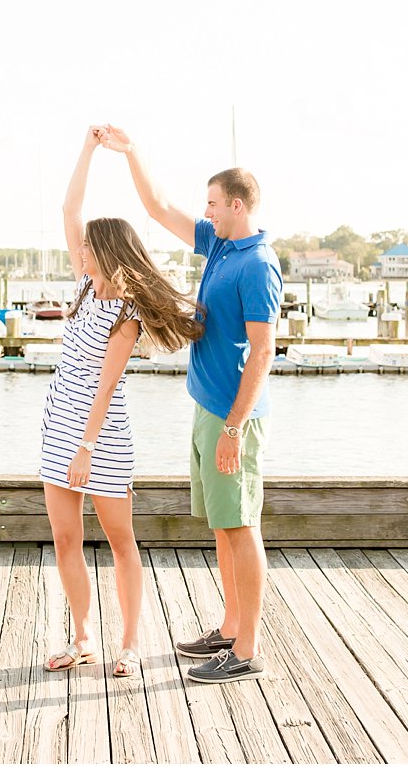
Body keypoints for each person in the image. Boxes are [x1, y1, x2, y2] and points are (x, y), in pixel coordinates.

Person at [100, 123, 282, 685]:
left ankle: (246, 649)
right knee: (222, 526)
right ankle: (229, 628)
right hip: (208, 409)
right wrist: (131, 152)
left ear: (234, 204)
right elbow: (156, 207)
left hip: (234, 419)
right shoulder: (222, 245)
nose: (204, 212)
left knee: (241, 525)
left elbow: (263, 350)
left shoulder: (257, 263)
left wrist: (234, 427)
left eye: (211, 203)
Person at [40, 126, 204, 679]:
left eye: (87, 246)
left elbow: (106, 388)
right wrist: (88, 148)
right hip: (58, 427)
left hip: (101, 435)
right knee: (65, 538)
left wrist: (86, 448)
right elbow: (69, 206)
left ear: (105, 253)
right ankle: (83, 637)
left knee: (119, 540)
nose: (79, 249)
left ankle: (129, 644)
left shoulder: (128, 313)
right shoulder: (86, 286)